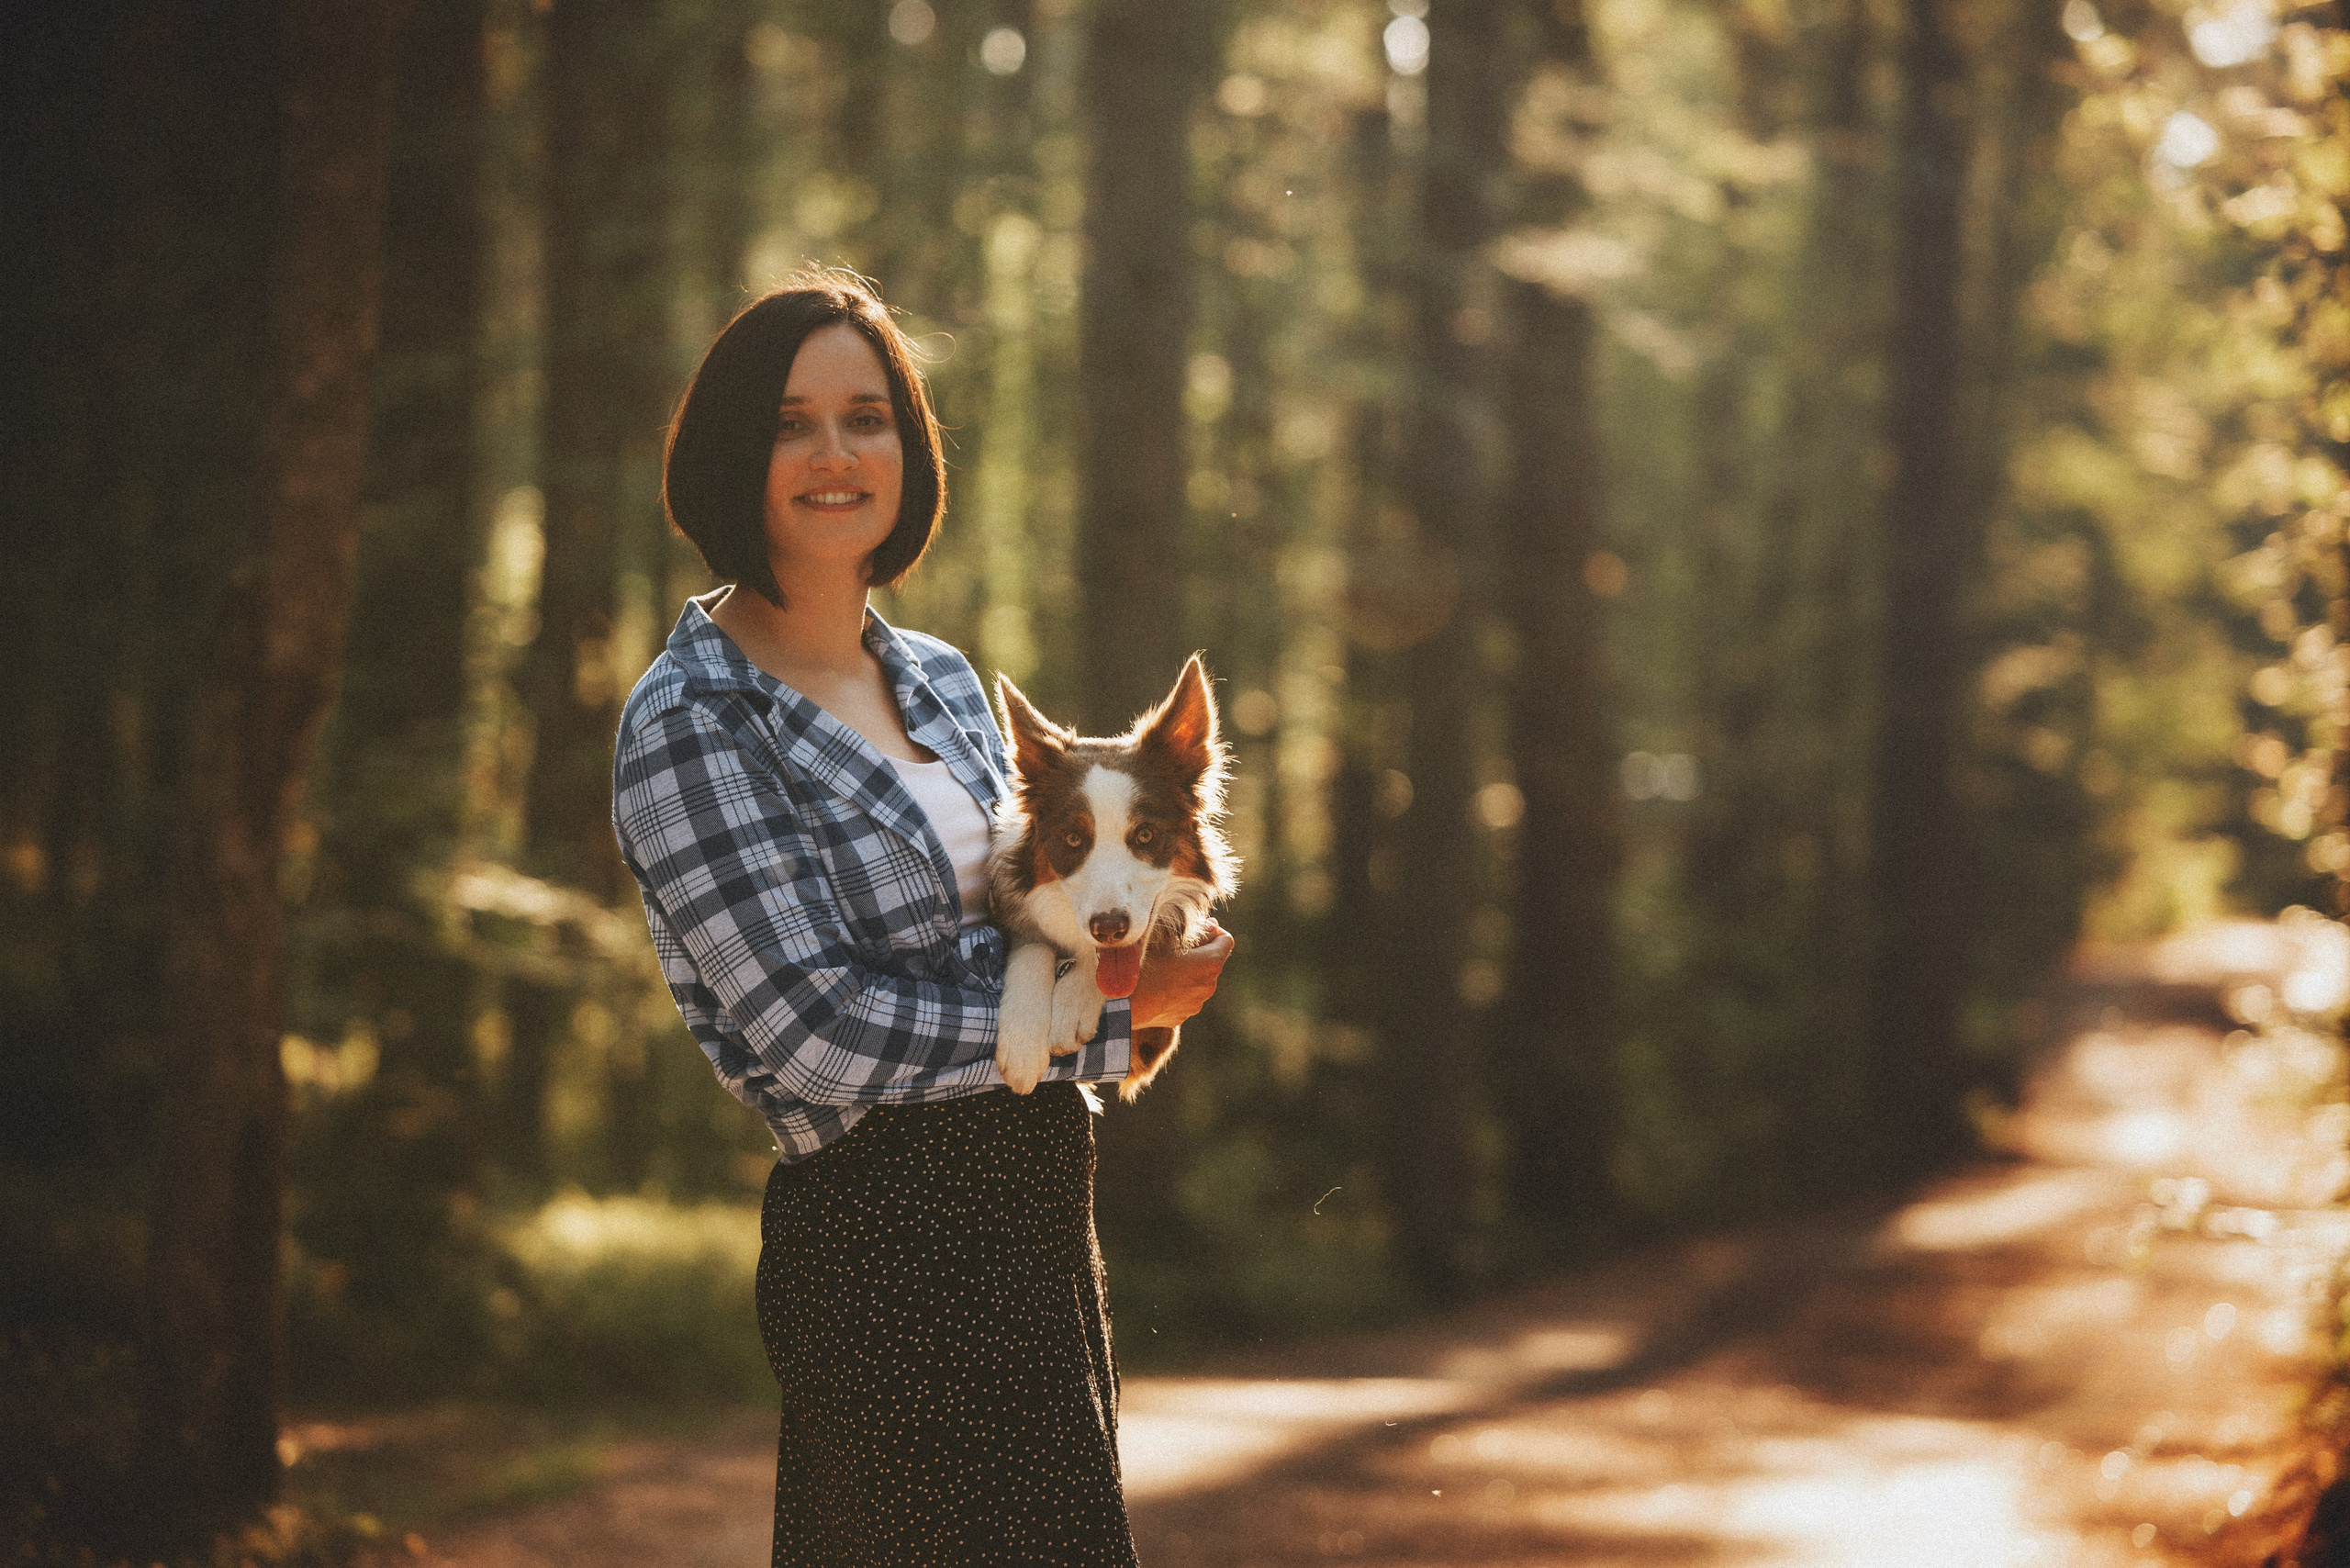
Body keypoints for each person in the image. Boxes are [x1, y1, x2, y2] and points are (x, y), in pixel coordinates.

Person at [610, 268, 1233, 1566]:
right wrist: (1109, 1033)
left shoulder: (943, 681)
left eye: (869, 415)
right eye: (792, 421)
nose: (836, 453)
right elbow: (815, 1037)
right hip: (885, 1251)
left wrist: (1137, 963)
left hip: (1040, 1219)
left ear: (909, 447)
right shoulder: (691, 720)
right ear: (734, 450)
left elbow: (1043, 915)